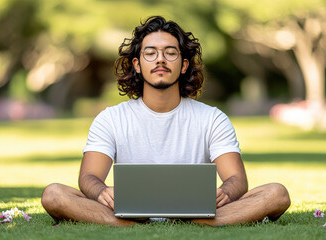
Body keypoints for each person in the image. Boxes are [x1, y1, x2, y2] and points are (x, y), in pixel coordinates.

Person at [41, 16, 290, 227]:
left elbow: (237, 179)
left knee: (277, 194)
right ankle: (142, 220)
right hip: (130, 210)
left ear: (183, 66)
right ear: (137, 65)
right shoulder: (111, 118)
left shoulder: (212, 118)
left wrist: (224, 193)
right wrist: (103, 193)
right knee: (54, 194)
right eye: (150, 53)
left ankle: (189, 218)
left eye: (170, 53)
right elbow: (89, 177)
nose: (160, 59)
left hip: (197, 210)